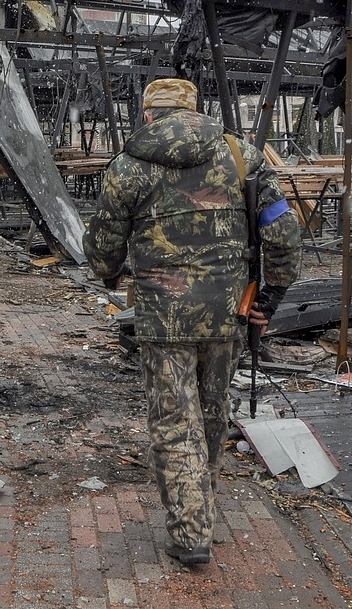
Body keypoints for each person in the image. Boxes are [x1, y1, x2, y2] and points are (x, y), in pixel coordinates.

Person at [83, 77, 301, 566]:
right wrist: (272, 296)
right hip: (229, 314)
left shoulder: (128, 168)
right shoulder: (243, 156)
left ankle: (190, 534)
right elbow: (284, 232)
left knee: (174, 423)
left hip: (163, 318)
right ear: (195, 110)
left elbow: (101, 254)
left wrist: (112, 273)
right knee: (210, 415)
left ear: (147, 115)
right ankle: (202, 510)